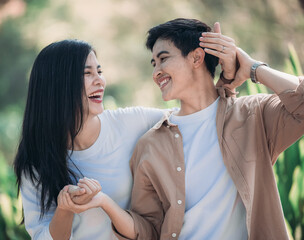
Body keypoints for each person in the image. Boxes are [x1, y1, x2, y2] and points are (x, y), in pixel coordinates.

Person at [65, 18, 304, 240]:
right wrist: (104, 202)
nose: (156, 71)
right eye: (153, 63)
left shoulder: (252, 116)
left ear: (197, 58)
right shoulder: (150, 144)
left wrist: (251, 67)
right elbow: (148, 228)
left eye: (164, 58)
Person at [13, 28, 236, 239]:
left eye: (99, 71)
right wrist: (65, 209)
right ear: (58, 86)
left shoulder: (130, 123)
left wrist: (230, 75)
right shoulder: (36, 161)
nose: (100, 80)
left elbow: (197, 114)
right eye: (87, 73)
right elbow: (42, 236)